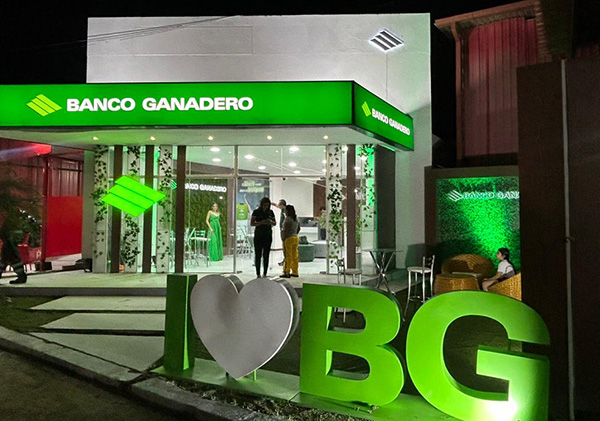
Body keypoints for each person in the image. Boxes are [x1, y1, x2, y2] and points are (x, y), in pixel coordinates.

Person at [251, 197, 276, 278]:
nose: (265, 207)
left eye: (267, 205)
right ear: (261, 204)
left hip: (267, 235)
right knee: (258, 255)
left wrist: (270, 222)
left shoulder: (270, 212)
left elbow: (274, 223)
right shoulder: (256, 212)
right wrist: (261, 222)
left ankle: (265, 273)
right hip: (259, 235)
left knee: (266, 254)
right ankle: (258, 273)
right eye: (264, 205)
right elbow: (252, 223)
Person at [0, 214, 27, 284]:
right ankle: (21, 275)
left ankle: (21, 275)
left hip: (8, 236)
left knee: (9, 255)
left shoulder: (10, 216)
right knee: (6, 256)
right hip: (10, 236)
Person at [281, 204, 301, 278]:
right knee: (295, 256)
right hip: (295, 237)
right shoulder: (296, 219)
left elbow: (285, 230)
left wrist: (283, 237)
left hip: (288, 238)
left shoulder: (287, 219)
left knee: (287, 255)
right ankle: (295, 271)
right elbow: (299, 228)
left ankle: (287, 271)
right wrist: (295, 233)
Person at [273, 199, 286, 266]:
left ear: (282, 205)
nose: (278, 206)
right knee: (284, 245)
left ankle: (285, 260)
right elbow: (276, 205)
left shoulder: (285, 211)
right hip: (282, 229)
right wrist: (270, 203)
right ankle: (285, 260)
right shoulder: (282, 210)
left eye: (279, 205)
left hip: (284, 230)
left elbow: (286, 219)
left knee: (285, 245)